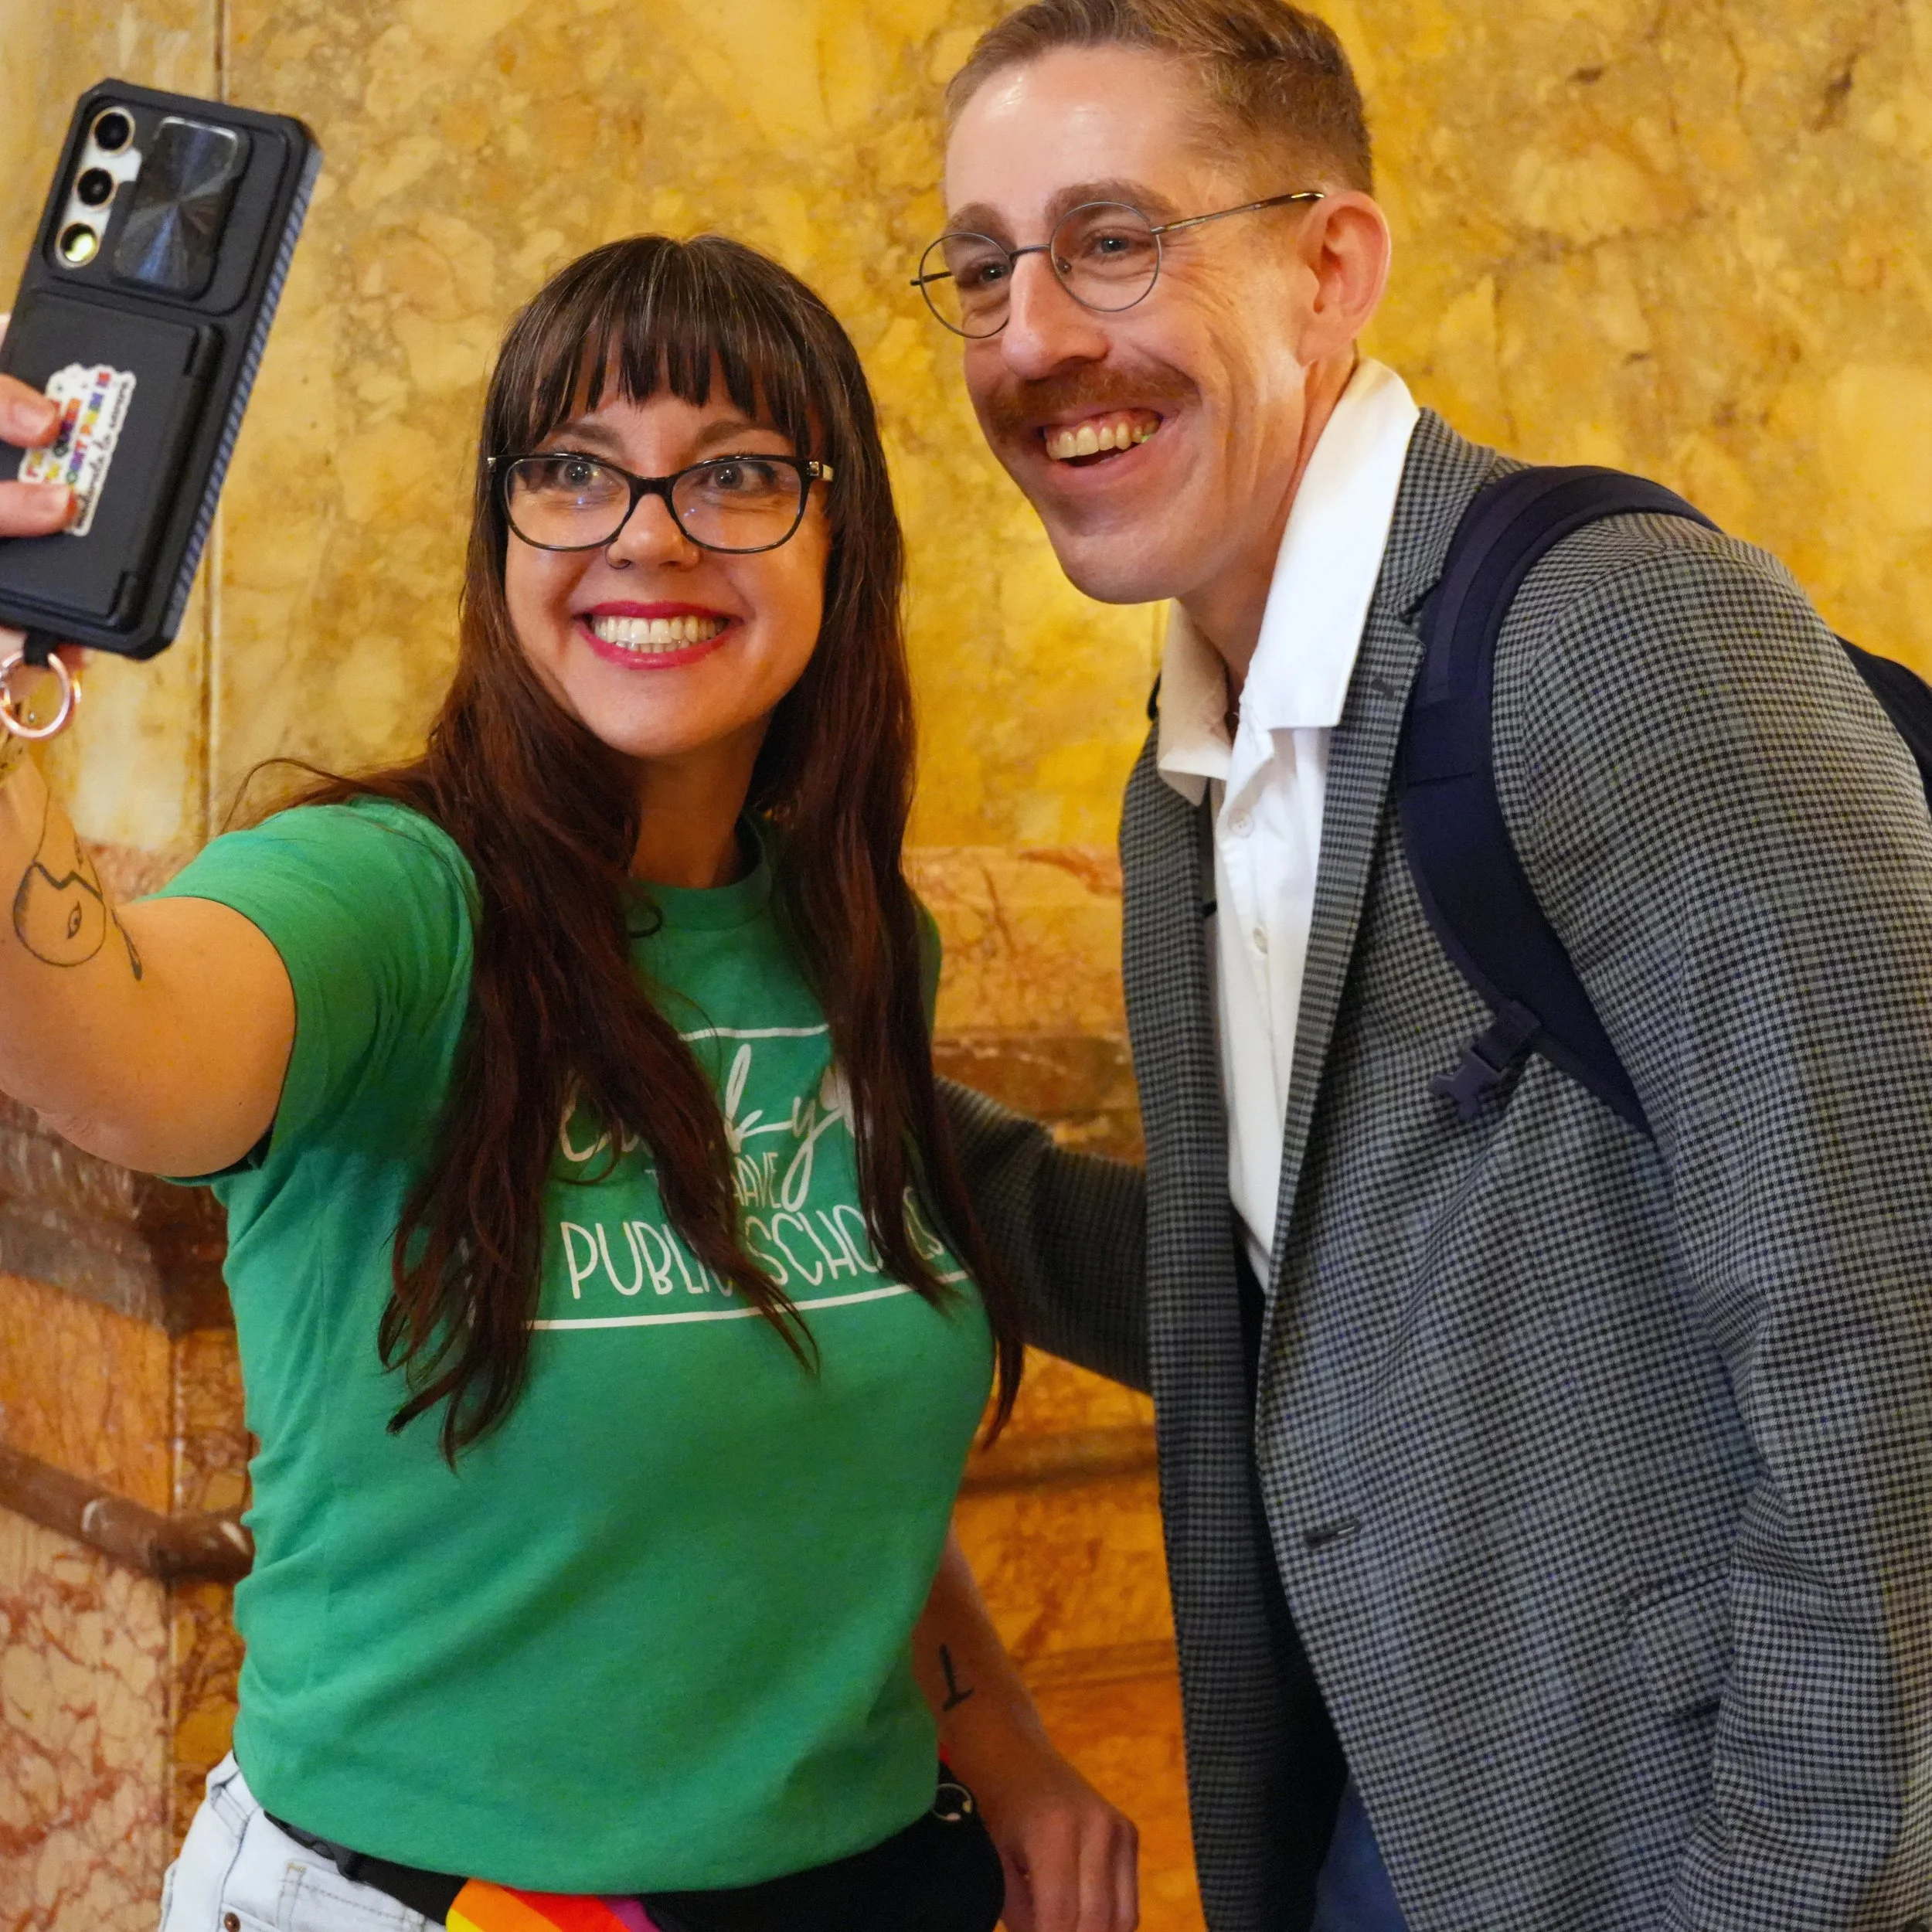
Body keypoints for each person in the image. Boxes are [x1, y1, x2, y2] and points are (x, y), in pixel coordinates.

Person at [920, 3, 1932, 1930]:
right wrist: (865, 1112)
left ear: (1329, 268)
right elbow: (1302, 1306)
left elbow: (1889, 1359)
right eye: (982, 268)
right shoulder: (1191, 769)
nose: (1031, 335)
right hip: (1393, 1828)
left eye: (1112, 239)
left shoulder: (1612, 636)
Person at [0, 234, 1138, 1932]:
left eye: (736, 473)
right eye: (574, 472)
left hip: (858, 1878)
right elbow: (121, 1052)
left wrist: (1006, 1740)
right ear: (504, 535)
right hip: (434, 1896)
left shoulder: (854, 940)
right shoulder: (387, 896)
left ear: (841, 538)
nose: (648, 533)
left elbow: (802, 1436)